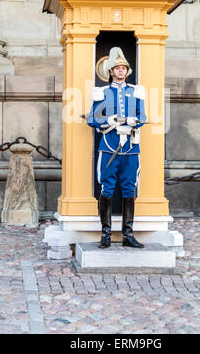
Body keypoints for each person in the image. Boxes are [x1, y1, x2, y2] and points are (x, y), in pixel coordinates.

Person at [87, 47, 146, 249]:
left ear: (127, 71)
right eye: (117, 68)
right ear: (111, 71)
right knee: (107, 187)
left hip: (130, 147)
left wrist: (134, 121)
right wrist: (107, 120)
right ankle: (106, 234)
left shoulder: (135, 91)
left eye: (123, 68)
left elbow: (143, 117)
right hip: (109, 146)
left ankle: (128, 234)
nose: (120, 71)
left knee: (129, 188)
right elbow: (91, 119)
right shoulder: (102, 92)